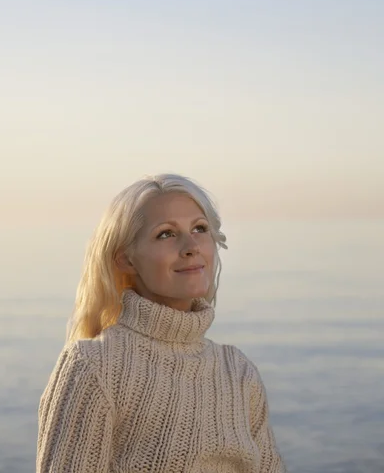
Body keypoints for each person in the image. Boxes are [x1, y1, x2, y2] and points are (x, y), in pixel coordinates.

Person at [36, 173, 286, 473]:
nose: (191, 245)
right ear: (126, 260)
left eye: (200, 228)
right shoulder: (95, 365)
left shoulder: (238, 372)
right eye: (166, 233)